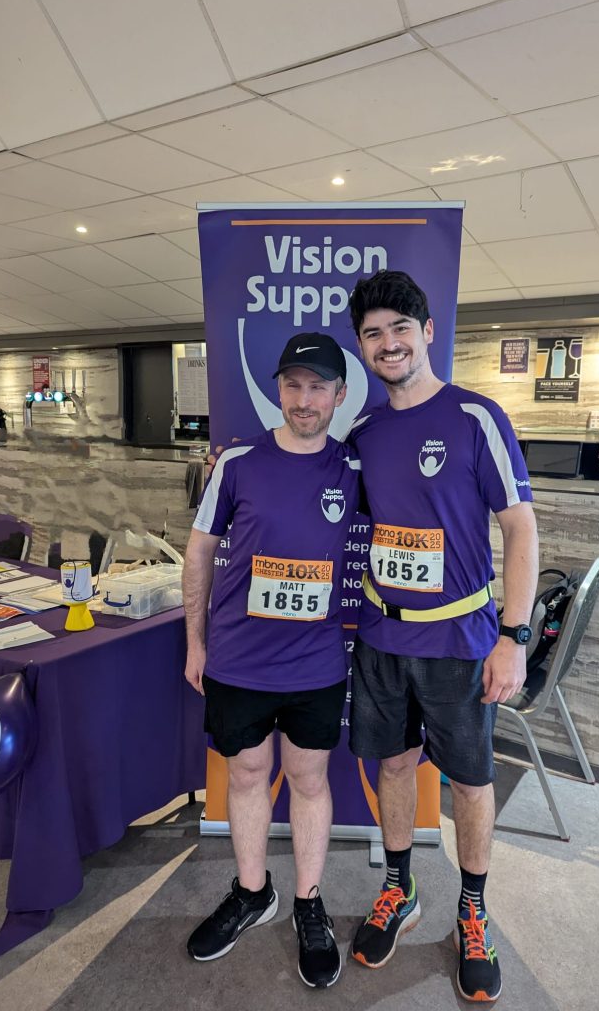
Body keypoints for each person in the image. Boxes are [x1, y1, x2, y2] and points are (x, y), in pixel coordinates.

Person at [346, 270, 538, 1003]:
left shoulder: (474, 416)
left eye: (400, 328)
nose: (387, 343)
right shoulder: (364, 433)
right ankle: (399, 889)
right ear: (361, 346)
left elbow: (518, 525)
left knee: (469, 780)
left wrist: (512, 636)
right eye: (372, 333)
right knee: (394, 769)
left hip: (461, 642)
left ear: (427, 333)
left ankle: (472, 909)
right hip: (382, 640)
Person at [183, 332, 360, 990]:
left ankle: (308, 903)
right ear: (277, 389)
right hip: (237, 661)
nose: (304, 399)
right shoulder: (238, 461)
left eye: (318, 387)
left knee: (309, 780)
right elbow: (199, 550)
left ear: (339, 396)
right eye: (293, 384)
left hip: (315, 666)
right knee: (248, 774)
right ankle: (253, 892)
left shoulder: (355, 468)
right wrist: (196, 643)